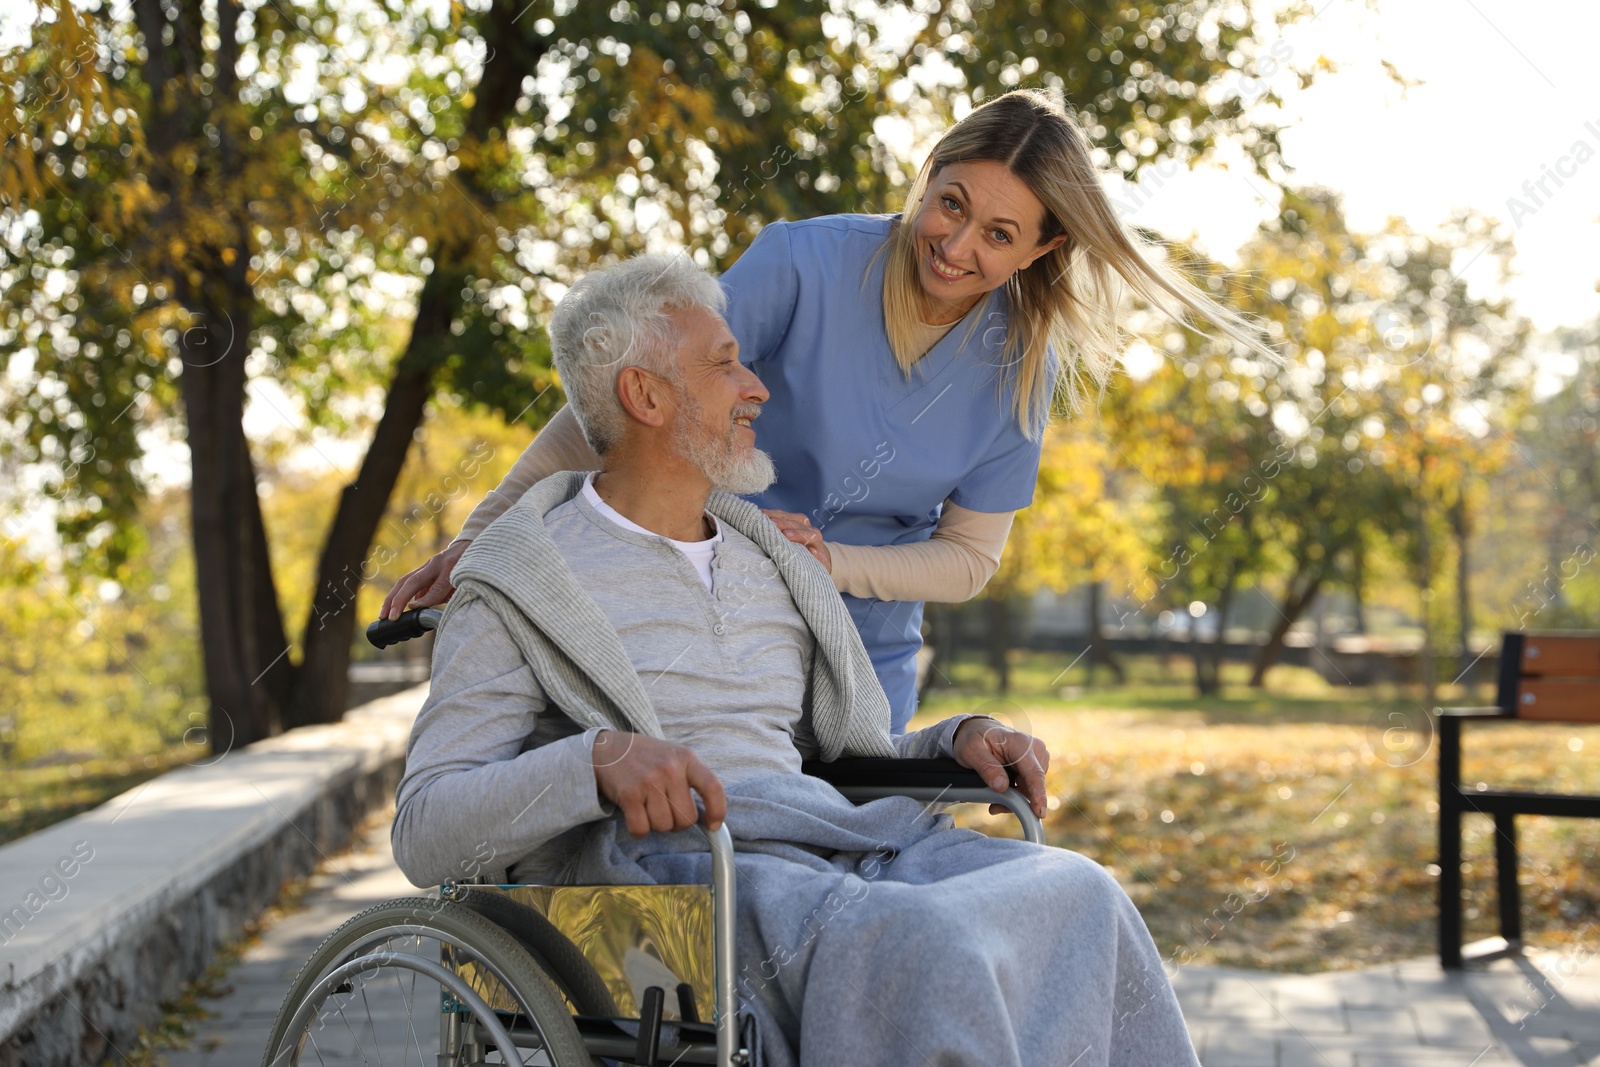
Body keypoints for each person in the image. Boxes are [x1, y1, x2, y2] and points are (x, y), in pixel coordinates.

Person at [391, 254, 1200, 1067]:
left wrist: (952, 741)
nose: (757, 387)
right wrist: (594, 761)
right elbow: (425, 830)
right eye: (725, 363)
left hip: (827, 841)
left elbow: (830, 756)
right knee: (919, 944)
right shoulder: (521, 580)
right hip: (659, 886)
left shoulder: (767, 558)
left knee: (1080, 896)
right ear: (645, 395)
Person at [381, 87, 1269, 732]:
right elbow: (630, 398)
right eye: (949, 203)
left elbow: (967, 560)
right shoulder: (803, 265)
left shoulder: (1021, 369)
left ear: (1044, 248)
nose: (956, 247)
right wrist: (484, 537)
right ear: (927, 180)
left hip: (865, 658)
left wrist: (830, 561)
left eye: (999, 235)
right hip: (712, 631)